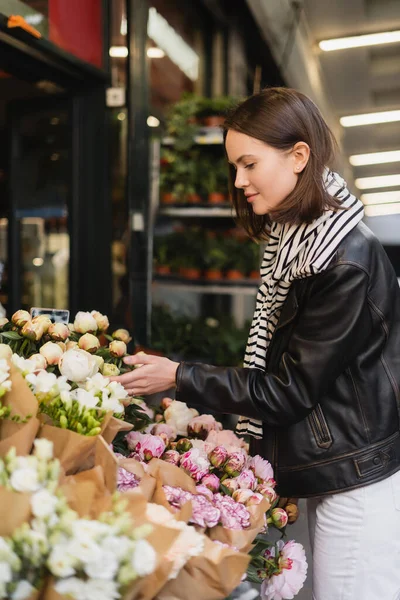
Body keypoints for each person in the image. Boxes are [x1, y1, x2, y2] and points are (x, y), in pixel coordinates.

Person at [112, 88, 400, 599]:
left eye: (249, 164)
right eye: (234, 167)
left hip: (357, 483)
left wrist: (180, 376)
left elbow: (288, 390)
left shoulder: (342, 260)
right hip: (339, 469)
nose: (240, 182)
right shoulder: (297, 239)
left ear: (298, 155)